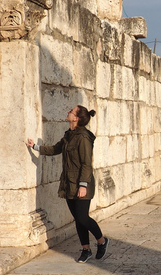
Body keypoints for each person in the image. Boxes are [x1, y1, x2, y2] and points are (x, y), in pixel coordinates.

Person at [26, 105, 108, 263]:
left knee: (83, 217)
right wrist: (35, 147)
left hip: (82, 184)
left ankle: (102, 241)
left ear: (76, 118)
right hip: (69, 183)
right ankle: (86, 249)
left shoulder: (83, 137)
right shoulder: (69, 135)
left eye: (71, 111)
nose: (68, 111)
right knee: (77, 218)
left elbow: (86, 163)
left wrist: (83, 185)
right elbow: (56, 149)